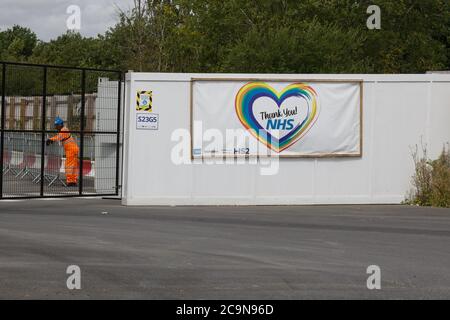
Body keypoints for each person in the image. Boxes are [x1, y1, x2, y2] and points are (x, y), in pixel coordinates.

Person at [46, 117, 79, 187]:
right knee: (73, 166)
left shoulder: (64, 130)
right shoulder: (64, 129)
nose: (56, 127)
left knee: (69, 166)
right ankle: (73, 181)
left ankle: (70, 181)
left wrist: (50, 139)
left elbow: (59, 137)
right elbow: (59, 137)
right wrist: (52, 140)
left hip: (71, 149)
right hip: (73, 149)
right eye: (55, 125)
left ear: (60, 124)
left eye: (57, 125)